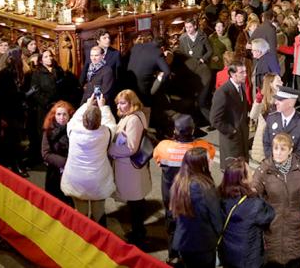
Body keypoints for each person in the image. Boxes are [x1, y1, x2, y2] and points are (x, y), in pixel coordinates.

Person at [153, 115, 216, 264]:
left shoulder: (163, 147)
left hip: (172, 196)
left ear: (175, 131)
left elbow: (158, 161)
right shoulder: (204, 148)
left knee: (172, 224)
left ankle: (173, 255)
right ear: (193, 130)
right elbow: (210, 163)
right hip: (194, 197)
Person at [252, 132, 300, 268]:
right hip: (271, 228)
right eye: (275, 148)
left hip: (294, 229)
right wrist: (265, 218)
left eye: (283, 149)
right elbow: (254, 196)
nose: (278, 153)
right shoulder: (264, 171)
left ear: (290, 150)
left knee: (293, 261)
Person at [61, 95, 116, 224]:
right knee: (99, 211)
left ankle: (83, 236)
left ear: (84, 118)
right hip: (97, 179)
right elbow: (111, 123)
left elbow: (75, 118)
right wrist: (103, 106)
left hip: (76, 179)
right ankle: (99, 238)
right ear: (99, 120)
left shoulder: (73, 130)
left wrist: (87, 104)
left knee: (81, 212)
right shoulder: (106, 133)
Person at [109, 89, 152, 245]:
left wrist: (109, 149)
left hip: (130, 168)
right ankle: (138, 231)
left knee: (135, 203)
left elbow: (131, 148)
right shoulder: (135, 115)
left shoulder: (133, 120)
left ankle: (138, 234)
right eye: (118, 103)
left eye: (123, 103)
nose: (119, 106)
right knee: (137, 202)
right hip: (133, 168)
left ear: (132, 103)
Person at [217, 157, 276, 268]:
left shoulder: (221, 196)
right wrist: (257, 194)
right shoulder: (254, 205)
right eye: (249, 172)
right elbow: (269, 214)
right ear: (243, 180)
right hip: (249, 259)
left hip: (227, 254)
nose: (252, 173)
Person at [210, 59, 250, 169]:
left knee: (243, 171)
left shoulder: (240, 87)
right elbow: (214, 119)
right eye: (242, 72)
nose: (245, 75)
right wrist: (232, 130)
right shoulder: (223, 92)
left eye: (245, 71)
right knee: (233, 173)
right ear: (232, 74)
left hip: (242, 137)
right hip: (231, 140)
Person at [263, 85, 300, 161]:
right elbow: (266, 144)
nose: (276, 102)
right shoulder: (271, 118)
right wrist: (274, 162)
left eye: (280, 100)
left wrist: (284, 166)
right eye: (276, 99)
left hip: (292, 168)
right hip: (272, 165)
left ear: (291, 103)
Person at [177, 19, 214, 121]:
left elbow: (210, 51)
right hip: (191, 72)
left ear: (195, 27)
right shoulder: (183, 38)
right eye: (186, 27)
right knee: (192, 98)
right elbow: (181, 54)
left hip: (202, 70)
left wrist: (203, 59)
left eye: (190, 27)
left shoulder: (202, 36)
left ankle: (213, 120)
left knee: (202, 99)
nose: (188, 30)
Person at [41, 100, 74, 205]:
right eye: (58, 114)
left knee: (69, 203)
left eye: (65, 114)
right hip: (54, 173)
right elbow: (45, 153)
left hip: (72, 173)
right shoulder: (48, 131)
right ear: (54, 115)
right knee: (54, 203)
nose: (61, 117)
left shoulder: (74, 131)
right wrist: (65, 162)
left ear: (69, 116)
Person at [250, 73, 283, 163]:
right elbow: (253, 116)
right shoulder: (263, 99)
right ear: (270, 84)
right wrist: (257, 101)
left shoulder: (282, 97)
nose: (282, 82)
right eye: (279, 80)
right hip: (265, 138)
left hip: (278, 137)